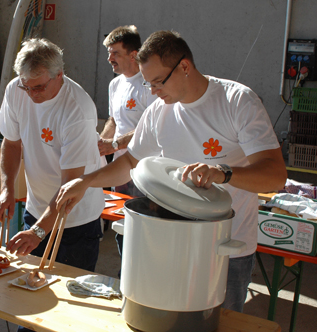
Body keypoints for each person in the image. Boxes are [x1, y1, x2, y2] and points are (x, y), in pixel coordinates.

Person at [54, 30, 287, 313]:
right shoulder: (158, 112)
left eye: (158, 82)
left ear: (185, 67)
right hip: (170, 244)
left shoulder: (237, 101)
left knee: (220, 323)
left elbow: (275, 176)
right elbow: (129, 164)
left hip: (225, 247)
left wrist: (223, 173)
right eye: (147, 84)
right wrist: (86, 182)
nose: (152, 92)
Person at [0, 38, 104, 271]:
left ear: (59, 76)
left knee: (69, 298)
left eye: (39, 87)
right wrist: (7, 189)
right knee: (27, 287)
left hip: (75, 220)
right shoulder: (16, 89)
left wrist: (39, 231)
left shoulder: (77, 109)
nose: (32, 94)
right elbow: (12, 144)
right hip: (37, 210)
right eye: (27, 86)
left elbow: (71, 187)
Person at [98, 25, 158, 262]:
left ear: (133, 54)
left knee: (144, 226)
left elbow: (151, 125)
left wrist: (116, 144)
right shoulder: (115, 84)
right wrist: (102, 140)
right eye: (109, 53)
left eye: (115, 53)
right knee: (121, 223)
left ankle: (143, 274)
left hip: (145, 170)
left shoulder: (149, 83)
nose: (109, 58)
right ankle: (126, 274)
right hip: (121, 167)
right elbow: (114, 119)